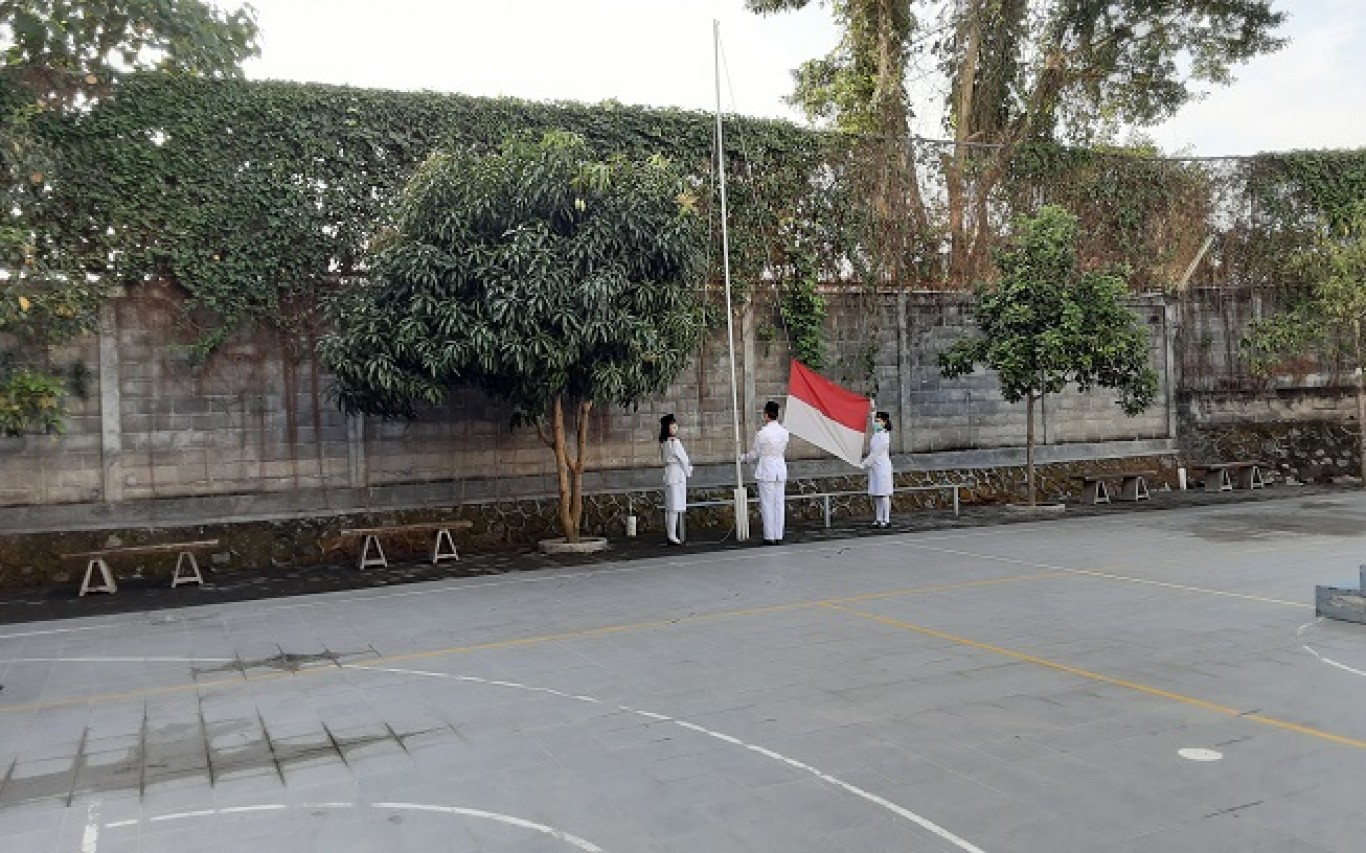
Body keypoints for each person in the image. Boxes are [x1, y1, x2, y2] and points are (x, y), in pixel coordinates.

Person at [740, 400, 790, 545]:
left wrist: (743, 458)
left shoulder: (762, 434)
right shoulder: (784, 432)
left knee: (767, 504)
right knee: (779, 503)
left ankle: (769, 536)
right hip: (780, 468)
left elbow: (754, 454)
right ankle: (778, 534)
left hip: (767, 469)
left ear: (766, 415)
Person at [658, 413, 692, 545]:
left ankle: (670, 533)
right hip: (676, 474)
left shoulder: (664, 442)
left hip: (669, 474)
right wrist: (688, 471)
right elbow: (684, 459)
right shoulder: (674, 442)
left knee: (670, 506)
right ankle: (672, 535)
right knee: (674, 507)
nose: (675, 427)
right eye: (672, 426)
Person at [860, 410, 894, 528]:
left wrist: (864, 464)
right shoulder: (877, 433)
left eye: (878, 421)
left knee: (884, 494)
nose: (876, 423)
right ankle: (878, 519)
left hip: (883, 468)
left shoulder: (885, 437)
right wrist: (872, 406)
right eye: (876, 421)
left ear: (884, 422)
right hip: (875, 468)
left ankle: (886, 520)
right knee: (877, 494)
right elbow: (873, 417)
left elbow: (875, 453)